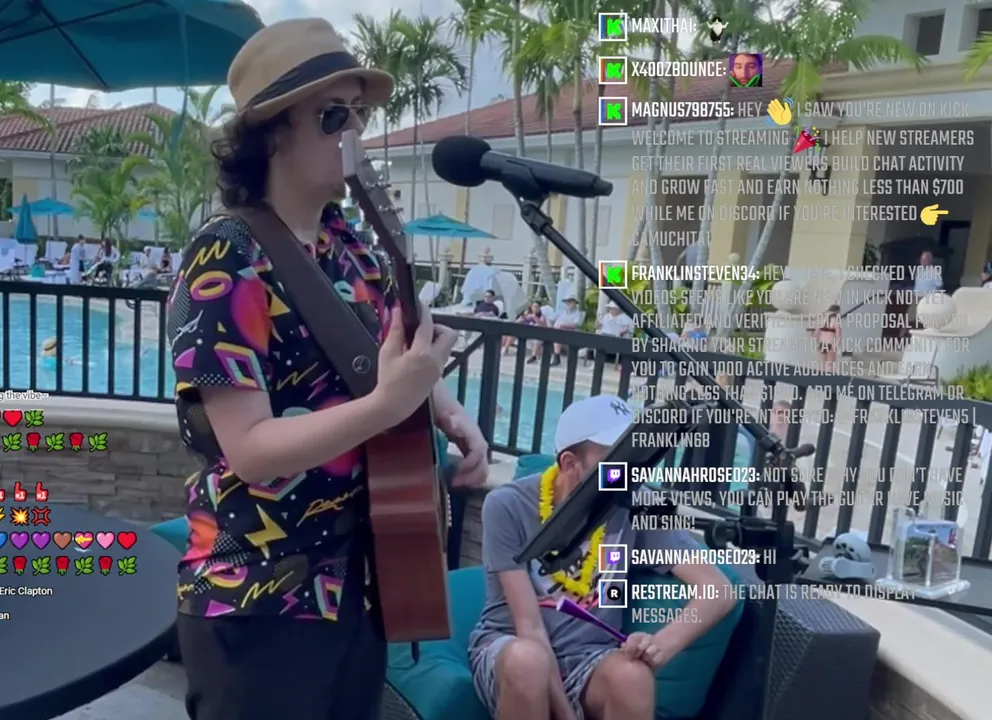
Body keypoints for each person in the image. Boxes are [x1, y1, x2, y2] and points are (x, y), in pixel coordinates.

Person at [165, 18, 488, 720]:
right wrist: (384, 407)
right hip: (258, 597)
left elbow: (393, 354)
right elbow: (251, 450)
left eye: (358, 114)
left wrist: (449, 411)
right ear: (271, 132)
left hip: (357, 585)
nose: (354, 132)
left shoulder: (349, 245)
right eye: (332, 115)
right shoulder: (226, 259)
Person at [469, 395, 737, 720]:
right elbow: (529, 627)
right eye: (615, 456)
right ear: (570, 464)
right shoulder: (508, 505)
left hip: (591, 657)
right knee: (528, 663)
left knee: (633, 677)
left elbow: (718, 590)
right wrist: (566, 715)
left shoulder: (636, 502)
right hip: (512, 647)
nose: (627, 466)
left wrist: (660, 646)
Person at [550, 297, 584, 365]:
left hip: (572, 333)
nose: (568, 303)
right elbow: (552, 319)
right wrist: (551, 325)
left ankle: (558, 359)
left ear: (575, 303)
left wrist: (562, 326)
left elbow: (576, 325)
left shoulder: (578, 313)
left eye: (570, 301)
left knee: (558, 336)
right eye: (567, 302)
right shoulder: (562, 312)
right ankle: (556, 359)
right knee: (556, 336)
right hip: (559, 332)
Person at [812, 304, 841, 372]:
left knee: (822, 366)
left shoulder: (822, 320)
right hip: (831, 344)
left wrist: (818, 342)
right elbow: (838, 336)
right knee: (829, 366)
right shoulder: (836, 322)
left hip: (822, 344)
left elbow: (815, 334)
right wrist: (835, 347)